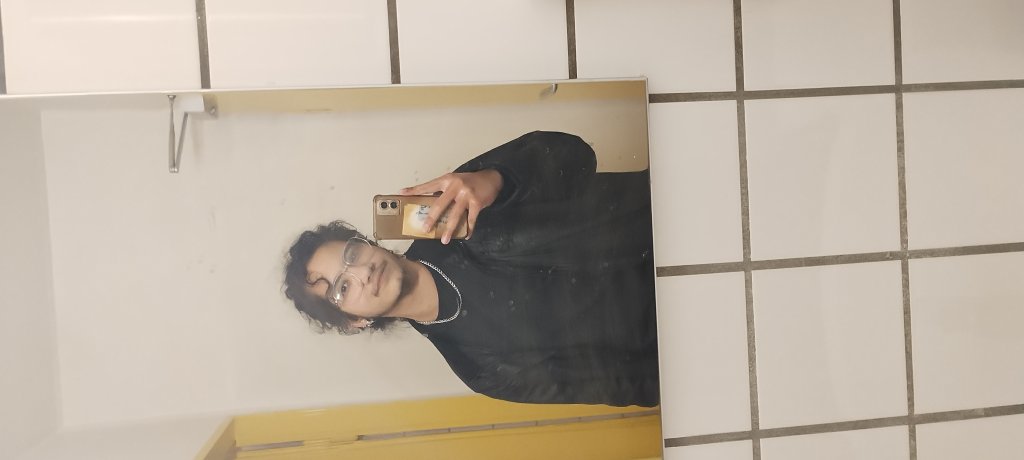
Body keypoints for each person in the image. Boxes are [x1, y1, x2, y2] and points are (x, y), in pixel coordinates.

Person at [283, 131, 659, 407]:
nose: (361, 273)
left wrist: (496, 178)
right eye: (342, 288)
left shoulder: (458, 208)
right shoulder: (480, 368)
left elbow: (576, 156)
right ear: (355, 321)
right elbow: (626, 384)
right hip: (673, 326)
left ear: (367, 242)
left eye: (351, 254)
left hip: (664, 216)